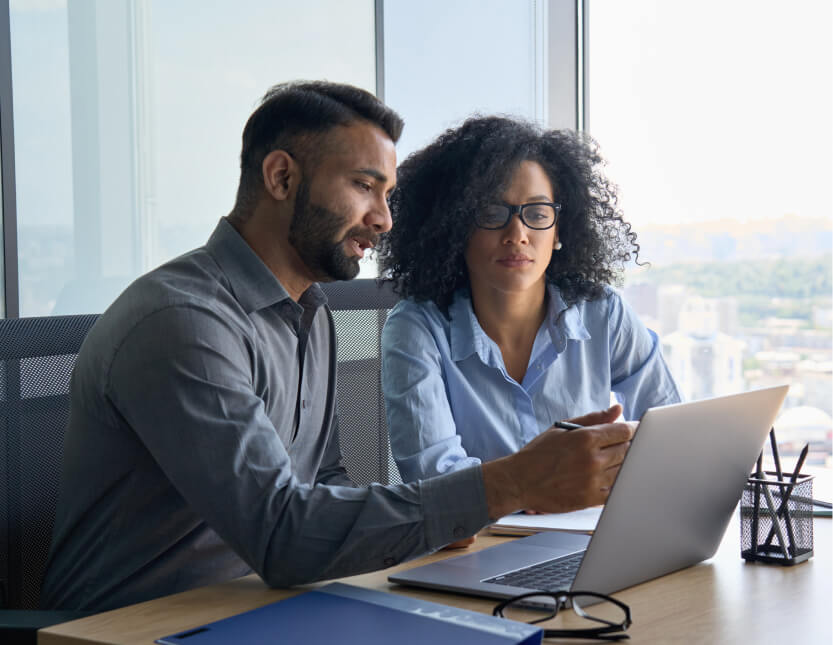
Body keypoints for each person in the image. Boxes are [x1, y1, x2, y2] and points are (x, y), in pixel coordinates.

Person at [41, 83, 635, 612]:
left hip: (267, 606)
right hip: (138, 625)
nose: (384, 219)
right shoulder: (183, 322)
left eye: (388, 193)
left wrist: (441, 514)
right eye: (364, 187)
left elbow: (324, 482)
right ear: (281, 178)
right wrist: (508, 485)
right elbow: (282, 535)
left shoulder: (312, 313)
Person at [379, 116, 680, 487]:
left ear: (558, 231)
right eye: (492, 213)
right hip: (478, 541)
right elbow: (435, 481)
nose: (517, 234)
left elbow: (671, 433)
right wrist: (535, 487)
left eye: (537, 214)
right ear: (456, 228)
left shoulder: (603, 312)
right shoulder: (416, 329)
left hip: (591, 532)